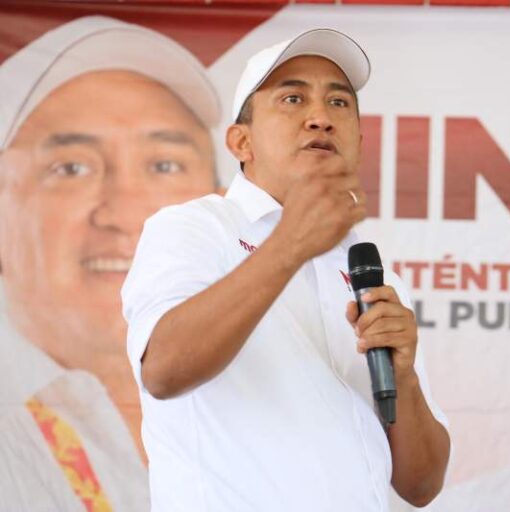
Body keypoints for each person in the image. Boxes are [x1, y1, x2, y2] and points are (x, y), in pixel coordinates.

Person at [122, 28, 450, 510]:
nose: (321, 118)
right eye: (293, 98)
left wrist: (404, 378)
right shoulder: (193, 228)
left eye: (339, 103)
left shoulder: (369, 273)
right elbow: (164, 372)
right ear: (241, 142)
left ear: (359, 142)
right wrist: (289, 245)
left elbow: (422, 486)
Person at [0, 16, 220, 510]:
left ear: (221, 207)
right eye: (72, 168)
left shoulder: (285, 389)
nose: (123, 215)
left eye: (164, 165)